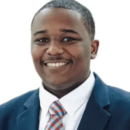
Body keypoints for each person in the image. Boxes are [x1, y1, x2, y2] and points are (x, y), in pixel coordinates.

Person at [0, 0, 130, 130]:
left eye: (68, 39)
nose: (53, 50)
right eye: (42, 40)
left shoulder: (126, 112)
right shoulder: (4, 117)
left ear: (93, 49)